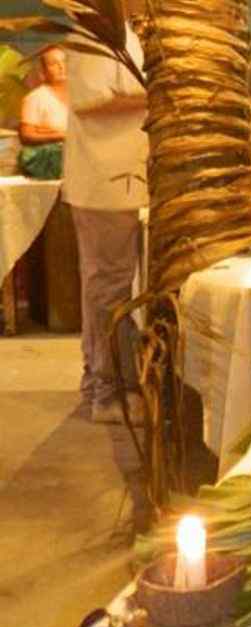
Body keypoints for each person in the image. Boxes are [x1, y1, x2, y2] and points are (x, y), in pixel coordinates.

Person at [63, 13, 147, 424]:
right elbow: (93, 100)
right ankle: (107, 391)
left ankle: (99, 380)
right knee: (107, 287)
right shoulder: (92, 29)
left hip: (127, 177)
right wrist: (159, 95)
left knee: (106, 284)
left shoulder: (127, 30)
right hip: (104, 180)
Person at [19, 45, 68, 145]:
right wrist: (61, 135)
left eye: (64, 61)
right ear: (43, 71)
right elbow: (26, 136)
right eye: (54, 63)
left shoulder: (79, 94)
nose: (61, 67)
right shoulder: (36, 98)